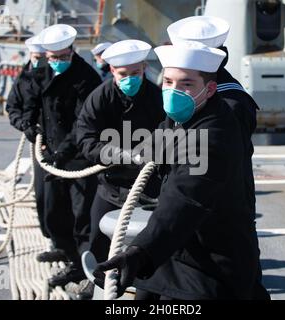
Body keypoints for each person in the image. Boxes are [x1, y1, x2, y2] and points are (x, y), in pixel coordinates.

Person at [93, 41, 267, 300]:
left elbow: (184, 197)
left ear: (209, 90)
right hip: (180, 251)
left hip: (209, 267)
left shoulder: (212, 135)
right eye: (169, 82)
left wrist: (141, 251)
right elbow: (153, 147)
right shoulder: (182, 118)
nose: (175, 91)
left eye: (186, 84)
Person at [167, 15, 267, 299]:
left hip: (219, 211)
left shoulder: (231, 104)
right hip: (195, 202)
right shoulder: (190, 93)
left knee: (236, 284)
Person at [25, 24, 102, 287]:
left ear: (72, 50)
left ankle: (83, 267)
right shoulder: (40, 74)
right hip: (50, 154)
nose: (57, 62)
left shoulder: (87, 77)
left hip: (78, 156)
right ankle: (67, 253)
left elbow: (83, 121)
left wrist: (63, 153)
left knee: (82, 215)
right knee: (52, 212)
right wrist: (28, 125)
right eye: (53, 57)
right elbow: (29, 104)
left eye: (62, 56)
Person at [75, 39, 164, 266]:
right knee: (98, 240)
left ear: (144, 67)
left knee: (150, 241)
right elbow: (86, 139)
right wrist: (121, 155)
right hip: (111, 185)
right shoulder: (99, 98)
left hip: (150, 185)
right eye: (123, 74)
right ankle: (96, 284)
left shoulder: (157, 98)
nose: (130, 79)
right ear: (112, 70)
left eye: (136, 72)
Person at [5, 34, 49, 238]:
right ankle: (53, 239)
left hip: (66, 146)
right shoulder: (23, 79)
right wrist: (25, 125)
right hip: (38, 144)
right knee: (42, 195)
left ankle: (70, 249)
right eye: (35, 56)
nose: (38, 61)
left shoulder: (60, 79)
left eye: (42, 56)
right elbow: (12, 107)